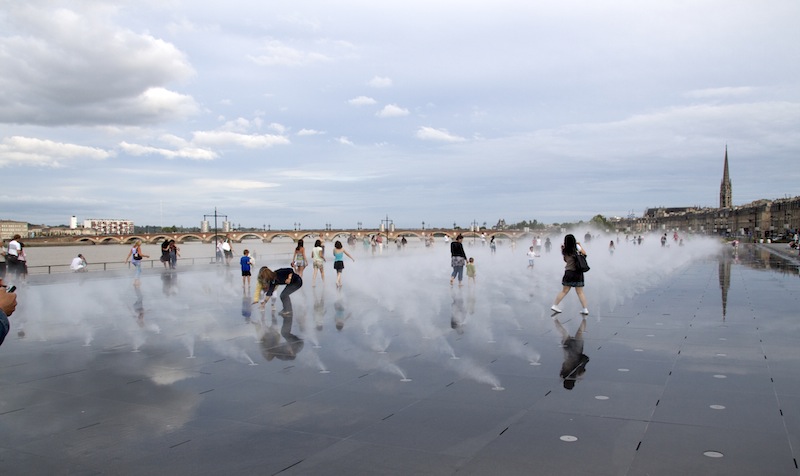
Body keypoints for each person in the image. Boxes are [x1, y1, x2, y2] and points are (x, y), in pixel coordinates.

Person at [550, 234, 589, 315]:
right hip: (578, 272)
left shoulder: (564, 249)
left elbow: (566, 260)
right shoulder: (577, 248)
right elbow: (585, 254)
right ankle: (585, 309)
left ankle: (555, 305)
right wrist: (579, 245)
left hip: (568, 272)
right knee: (580, 292)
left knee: (564, 291)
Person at [555, 316, 589, 390]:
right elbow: (565, 363)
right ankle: (555, 320)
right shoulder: (563, 374)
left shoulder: (578, 373)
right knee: (564, 333)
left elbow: (583, 365)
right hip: (569, 350)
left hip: (577, 350)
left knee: (579, 332)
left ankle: (584, 318)